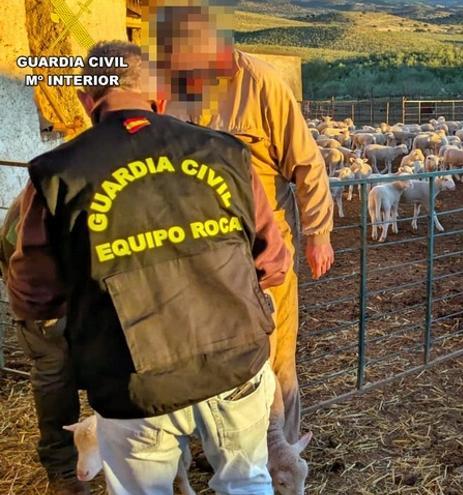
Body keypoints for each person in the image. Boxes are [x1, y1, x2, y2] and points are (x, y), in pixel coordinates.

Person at [6, 40, 290, 494]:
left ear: (85, 101)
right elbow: (273, 264)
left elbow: (31, 292)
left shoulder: (57, 173)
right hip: (234, 361)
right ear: (159, 97)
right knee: (247, 483)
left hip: (131, 379)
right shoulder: (226, 152)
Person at [150, 2, 335, 444]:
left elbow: (307, 163)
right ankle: (225, 449)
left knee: (275, 357)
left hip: (263, 250)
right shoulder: (172, 87)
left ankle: (283, 454)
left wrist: (319, 233)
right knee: (213, 355)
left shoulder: (261, 83)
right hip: (198, 251)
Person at [1, 197, 86, 495]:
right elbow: (21, 254)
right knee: (55, 372)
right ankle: (63, 467)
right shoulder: (42, 195)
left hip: (93, 285)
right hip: (46, 295)